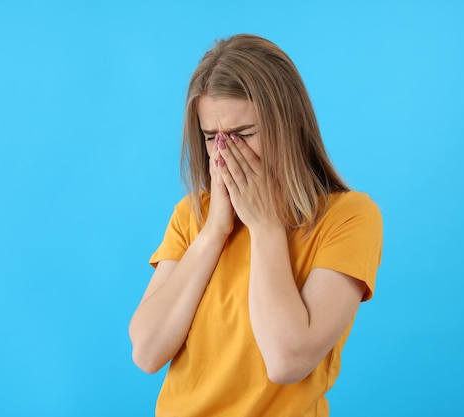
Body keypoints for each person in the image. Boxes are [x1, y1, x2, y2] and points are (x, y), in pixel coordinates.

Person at [129, 34, 383, 416]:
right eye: (211, 136)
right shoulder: (192, 216)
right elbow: (147, 353)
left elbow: (286, 361)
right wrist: (215, 230)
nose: (224, 153)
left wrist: (265, 226)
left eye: (244, 134)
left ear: (293, 122)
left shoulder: (349, 218)